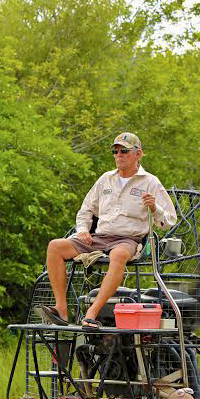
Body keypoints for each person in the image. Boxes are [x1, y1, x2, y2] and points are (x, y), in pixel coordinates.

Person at [37, 132, 178, 328]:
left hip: (128, 239)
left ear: (138, 154)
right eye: (116, 151)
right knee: (55, 246)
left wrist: (155, 207)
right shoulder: (105, 179)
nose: (119, 155)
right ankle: (61, 309)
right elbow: (86, 209)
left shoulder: (150, 182)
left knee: (119, 254)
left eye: (124, 151)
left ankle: (91, 313)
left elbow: (169, 221)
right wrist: (83, 230)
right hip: (100, 237)